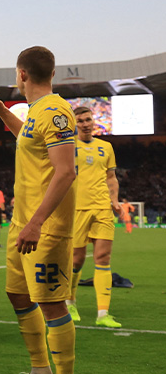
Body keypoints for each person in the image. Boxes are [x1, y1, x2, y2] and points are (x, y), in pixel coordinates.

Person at [0, 45, 79, 374]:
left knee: (51, 304)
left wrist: (37, 222)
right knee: (18, 295)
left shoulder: (55, 111)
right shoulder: (37, 112)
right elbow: (28, 139)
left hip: (46, 226)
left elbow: (65, 171)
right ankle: (41, 373)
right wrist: (5, 114)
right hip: (21, 222)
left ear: (22, 73)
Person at [67, 106, 122, 328]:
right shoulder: (68, 147)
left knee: (103, 258)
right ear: (74, 124)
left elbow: (111, 177)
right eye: (80, 121)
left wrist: (115, 200)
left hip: (102, 208)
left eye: (88, 119)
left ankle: (103, 314)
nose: (85, 124)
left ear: (93, 121)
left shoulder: (106, 147)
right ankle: (70, 302)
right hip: (77, 209)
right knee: (76, 260)